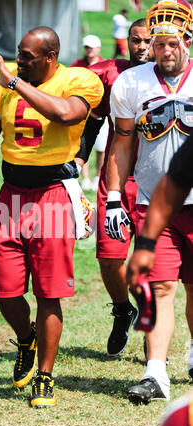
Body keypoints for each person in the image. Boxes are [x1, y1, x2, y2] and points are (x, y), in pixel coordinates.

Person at [0, 26, 103, 409]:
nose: (18, 60)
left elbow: (65, 114)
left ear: (50, 58)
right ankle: (26, 337)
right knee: (5, 290)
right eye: (18, 53)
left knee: (48, 291)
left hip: (54, 194)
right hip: (12, 194)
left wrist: (16, 82)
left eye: (27, 56)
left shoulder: (78, 80)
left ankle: (45, 375)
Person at [105, 0, 193, 404]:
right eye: (158, 44)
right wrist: (112, 197)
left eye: (173, 43)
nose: (165, 51)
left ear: (187, 41)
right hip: (151, 202)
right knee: (159, 287)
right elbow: (121, 144)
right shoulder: (130, 83)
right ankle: (155, 373)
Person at [75, 18, 153, 357]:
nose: (141, 47)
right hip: (117, 177)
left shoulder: (173, 76)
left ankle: (156, 356)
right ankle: (123, 309)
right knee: (109, 258)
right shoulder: (111, 73)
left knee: (154, 265)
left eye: (147, 41)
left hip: (156, 180)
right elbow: (93, 121)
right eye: (135, 40)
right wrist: (79, 159)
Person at [127, 130, 193, 378]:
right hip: (165, 207)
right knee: (160, 287)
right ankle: (155, 373)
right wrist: (145, 244)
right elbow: (174, 182)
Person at [71, 35, 108, 191]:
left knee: (101, 147)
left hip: (101, 112)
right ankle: (85, 178)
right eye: (87, 47)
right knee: (83, 145)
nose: (89, 50)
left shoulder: (106, 64)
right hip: (82, 112)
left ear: (98, 48)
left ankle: (98, 176)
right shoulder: (77, 65)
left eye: (92, 47)